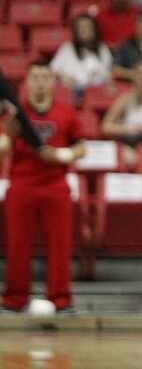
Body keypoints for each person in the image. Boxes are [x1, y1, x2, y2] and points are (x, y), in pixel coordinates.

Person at [1, 61, 86, 313]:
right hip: (22, 184)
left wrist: (60, 156)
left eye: (45, 77)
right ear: (27, 82)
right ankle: (14, 298)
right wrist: (9, 134)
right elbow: (3, 148)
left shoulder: (66, 112)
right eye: (35, 77)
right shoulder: (13, 114)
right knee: (17, 243)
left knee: (60, 244)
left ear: (52, 82)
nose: (40, 81)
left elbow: (81, 147)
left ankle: (60, 298)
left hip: (55, 185)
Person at [50, 14, 113, 93]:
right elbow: (52, 70)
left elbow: (109, 75)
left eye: (87, 27)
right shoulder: (67, 48)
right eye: (80, 27)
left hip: (96, 92)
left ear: (94, 29)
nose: (84, 30)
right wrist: (62, 77)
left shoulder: (103, 49)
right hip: (70, 91)